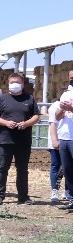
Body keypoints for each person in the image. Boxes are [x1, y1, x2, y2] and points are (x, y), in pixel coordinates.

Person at [0, 72, 40, 205]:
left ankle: (23, 196)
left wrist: (26, 123)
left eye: (17, 82)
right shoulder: (2, 98)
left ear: (22, 84)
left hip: (23, 141)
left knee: (22, 169)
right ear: (8, 84)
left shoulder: (29, 98)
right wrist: (6, 123)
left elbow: (36, 115)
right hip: (5, 140)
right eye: (12, 82)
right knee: (2, 168)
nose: (14, 85)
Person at [53, 82, 73, 212]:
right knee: (68, 170)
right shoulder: (66, 94)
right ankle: (72, 199)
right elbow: (58, 116)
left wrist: (71, 108)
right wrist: (62, 108)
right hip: (65, 137)